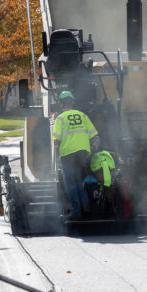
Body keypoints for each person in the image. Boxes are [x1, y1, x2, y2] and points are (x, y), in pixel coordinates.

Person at [52, 91, 98, 220]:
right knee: (78, 180)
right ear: (72, 102)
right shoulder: (82, 115)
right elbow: (94, 135)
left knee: (70, 183)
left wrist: (56, 157)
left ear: (61, 104)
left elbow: (56, 140)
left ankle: (75, 211)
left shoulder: (60, 118)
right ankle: (86, 205)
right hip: (82, 152)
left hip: (68, 153)